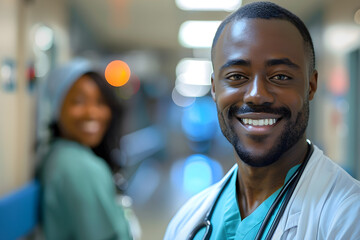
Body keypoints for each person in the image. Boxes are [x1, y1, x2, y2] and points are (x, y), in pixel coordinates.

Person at [164, 2, 360, 240]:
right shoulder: (187, 221)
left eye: (280, 76)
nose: (256, 94)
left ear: (311, 85)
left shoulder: (349, 216)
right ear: (214, 88)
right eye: (237, 76)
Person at [36, 59, 132, 240]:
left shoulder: (57, 154)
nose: (92, 113)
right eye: (78, 101)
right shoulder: (80, 167)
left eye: (100, 102)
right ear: (56, 107)